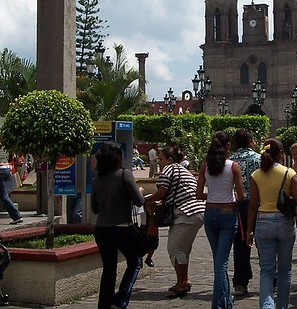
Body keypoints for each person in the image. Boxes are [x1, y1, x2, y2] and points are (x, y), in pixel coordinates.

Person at [246, 138, 297, 309]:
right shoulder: (289, 173)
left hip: (263, 222)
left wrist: (249, 230)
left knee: (266, 270)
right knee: (285, 269)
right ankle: (282, 306)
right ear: (280, 153)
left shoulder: (256, 175)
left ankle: (267, 306)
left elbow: (253, 204)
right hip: (284, 221)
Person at [143, 146, 205, 298]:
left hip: (185, 213)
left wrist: (144, 199)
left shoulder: (169, 169)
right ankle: (183, 280)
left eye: (161, 159)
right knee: (183, 250)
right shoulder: (184, 171)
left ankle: (182, 283)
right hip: (197, 212)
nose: (160, 162)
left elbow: (162, 192)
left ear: (170, 160)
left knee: (175, 248)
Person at [90, 141, 145, 309]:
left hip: (101, 229)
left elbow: (94, 208)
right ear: (119, 158)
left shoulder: (97, 179)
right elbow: (139, 200)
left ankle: (104, 305)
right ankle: (120, 300)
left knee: (108, 269)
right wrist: (140, 191)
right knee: (135, 262)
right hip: (122, 228)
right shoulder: (124, 174)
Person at [196, 131, 245, 309]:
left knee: (218, 260)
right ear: (227, 147)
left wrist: (213, 194)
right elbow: (240, 196)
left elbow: (199, 195)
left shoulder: (205, 166)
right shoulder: (233, 167)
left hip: (210, 213)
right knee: (222, 262)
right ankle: (218, 304)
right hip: (227, 213)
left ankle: (226, 301)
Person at [229, 128, 261, 297]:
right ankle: (271, 278)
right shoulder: (259, 158)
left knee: (241, 243)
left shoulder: (230, 160)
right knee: (263, 243)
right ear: (250, 141)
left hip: (238, 205)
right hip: (258, 204)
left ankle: (240, 282)